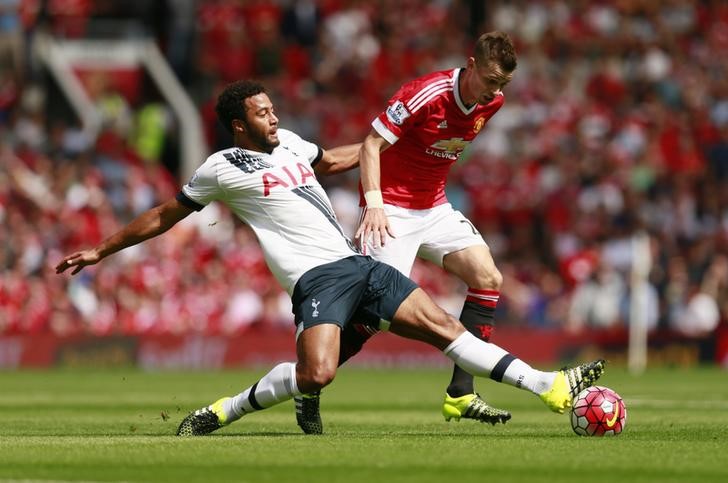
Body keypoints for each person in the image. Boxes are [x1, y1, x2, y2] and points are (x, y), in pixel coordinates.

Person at [55, 80, 605, 437]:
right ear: (240, 125)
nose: (274, 117)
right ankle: (224, 410)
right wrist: (102, 249)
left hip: (357, 263)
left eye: (273, 108)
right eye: (263, 113)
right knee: (316, 373)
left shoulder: (293, 144)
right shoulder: (221, 167)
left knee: (443, 325)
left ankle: (549, 386)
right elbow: (165, 214)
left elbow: (340, 158)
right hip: (316, 279)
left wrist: (392, 148)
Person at [295, 31, 520, 433]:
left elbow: (433, 153)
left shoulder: (494, 102)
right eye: (489, 80)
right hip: (391, 210)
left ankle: (461, 393)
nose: (494, 91)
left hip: (434, 207)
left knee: (488, 278)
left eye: (502, 84)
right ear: (471, 65)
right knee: (374, 316)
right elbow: (369, 146)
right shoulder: (425, 93)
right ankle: (307, 384)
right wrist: (376, 204)